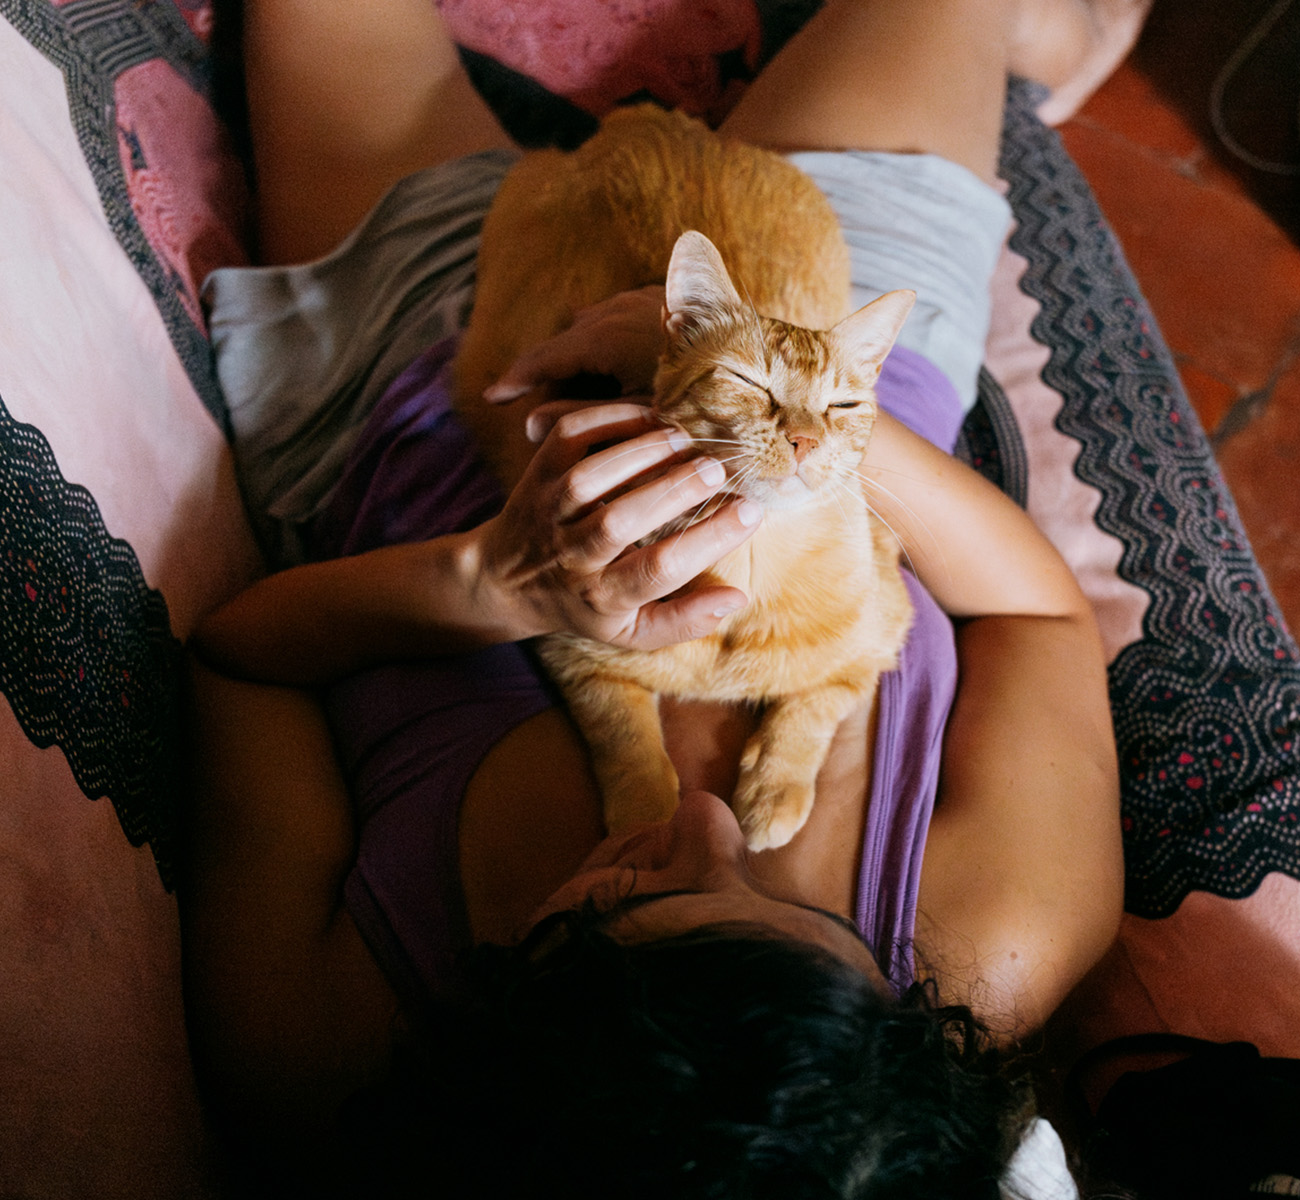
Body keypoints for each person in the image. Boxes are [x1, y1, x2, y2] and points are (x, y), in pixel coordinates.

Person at [183, 0, 1141, 1192]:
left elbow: (235, 662)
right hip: (824, 349)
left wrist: (488, 580)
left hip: (437, 379)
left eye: (610, 902)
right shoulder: (1004, 937)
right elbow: (1042, 616)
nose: (710, 821)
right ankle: (1040, 34)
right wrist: (772, 400)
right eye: (816, 925)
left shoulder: (316, 1052)